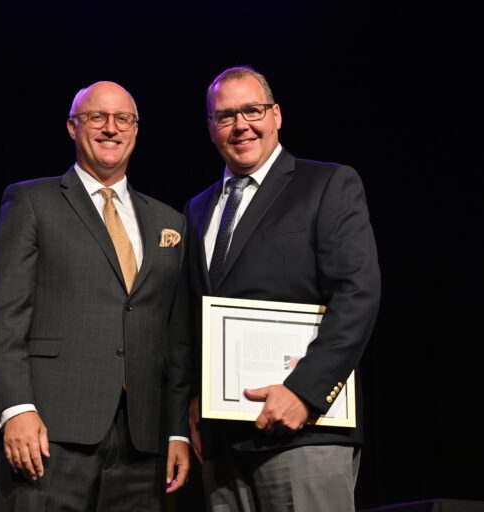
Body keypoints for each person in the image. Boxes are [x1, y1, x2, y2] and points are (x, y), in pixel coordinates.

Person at [0, 81, 191, 511]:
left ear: (136, 129)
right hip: (48, 433)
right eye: (97, 117)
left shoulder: (169, 221)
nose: (111, 128)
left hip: (143, 441)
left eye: (123, 119)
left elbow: (176, 338)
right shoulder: (31, 201)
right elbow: (3, 317)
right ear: (72, 127)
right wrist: (15, 408)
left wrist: (176, 430)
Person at [184, 66, 380, 511]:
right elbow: (193, 314)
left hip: (306, 432)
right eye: (225, 115)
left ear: (276, 115)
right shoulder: (196, 209)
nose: (241, 125)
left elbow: (357, 295)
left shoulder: (327, 184)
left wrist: (305, 392)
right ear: (211, 127)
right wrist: (194, 398)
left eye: (252, 110)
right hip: (223, 443)